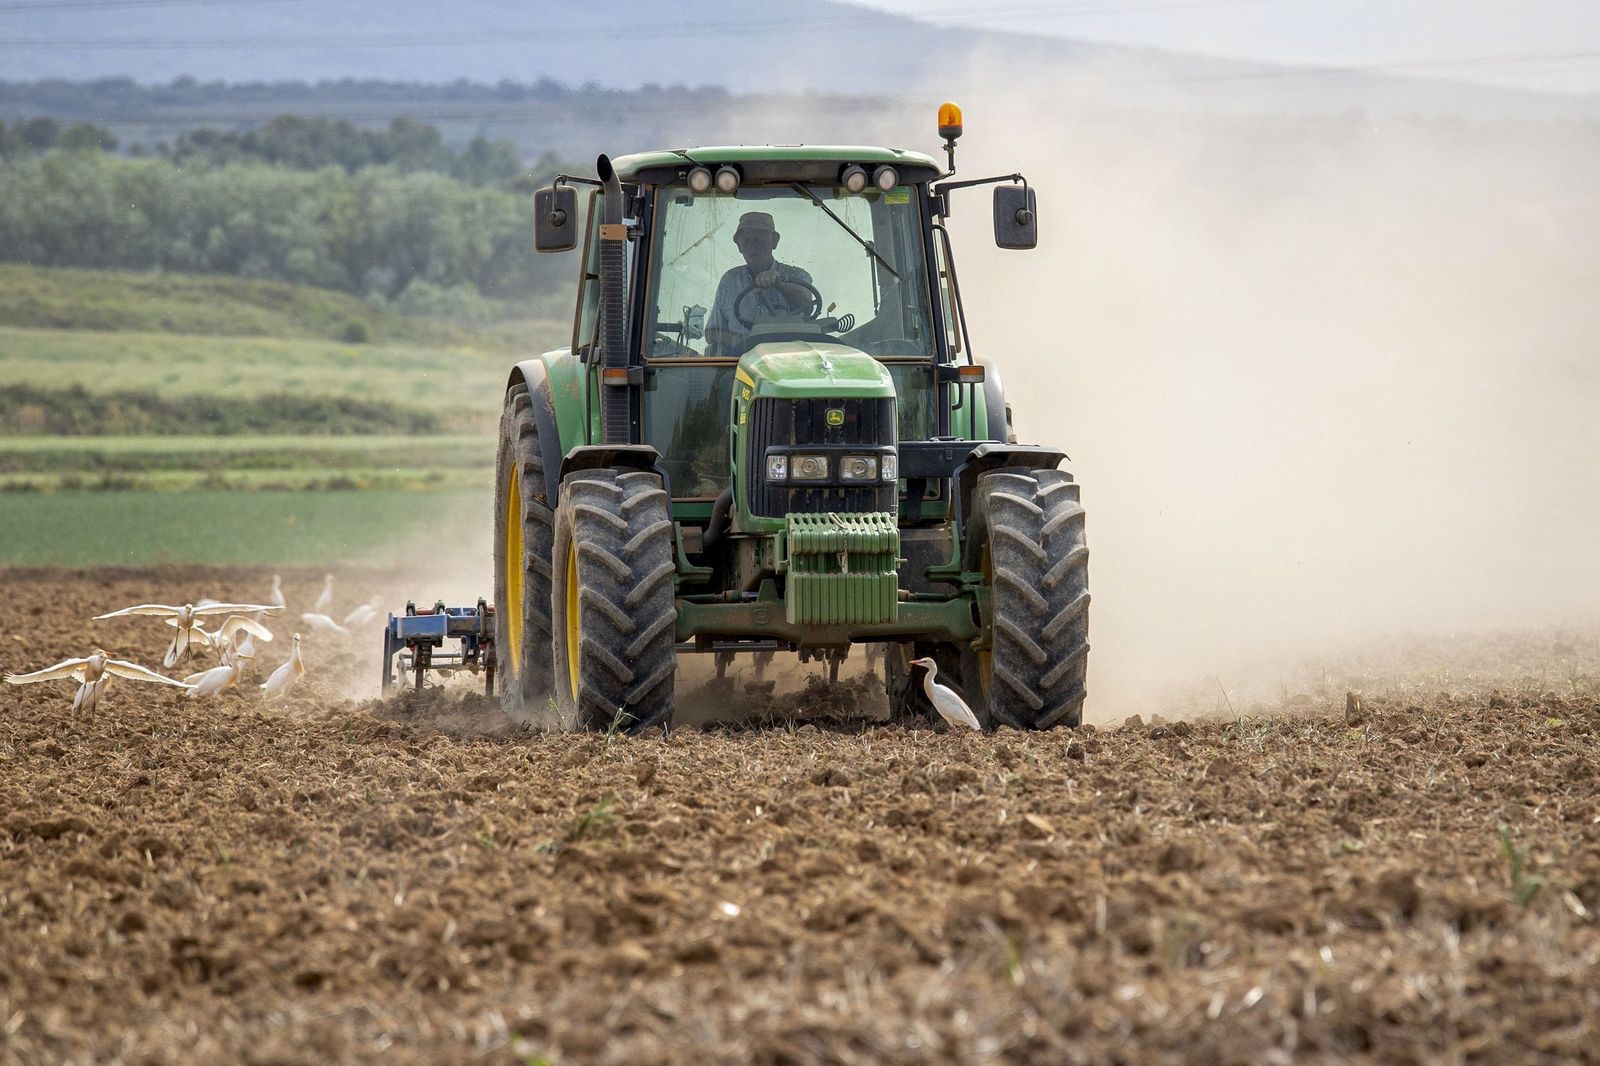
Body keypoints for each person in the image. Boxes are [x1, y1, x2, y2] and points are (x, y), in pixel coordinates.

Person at [704, 211, 815, 356]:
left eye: (758, 239)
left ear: (774, 241)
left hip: (789, 359)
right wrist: (737, 340)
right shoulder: (729, 280)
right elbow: (711, 333)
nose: (752, 246)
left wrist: (779, 283)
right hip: (738, 364)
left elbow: (806, 306)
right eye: (746, 240)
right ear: (739, 246)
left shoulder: (797, 275)